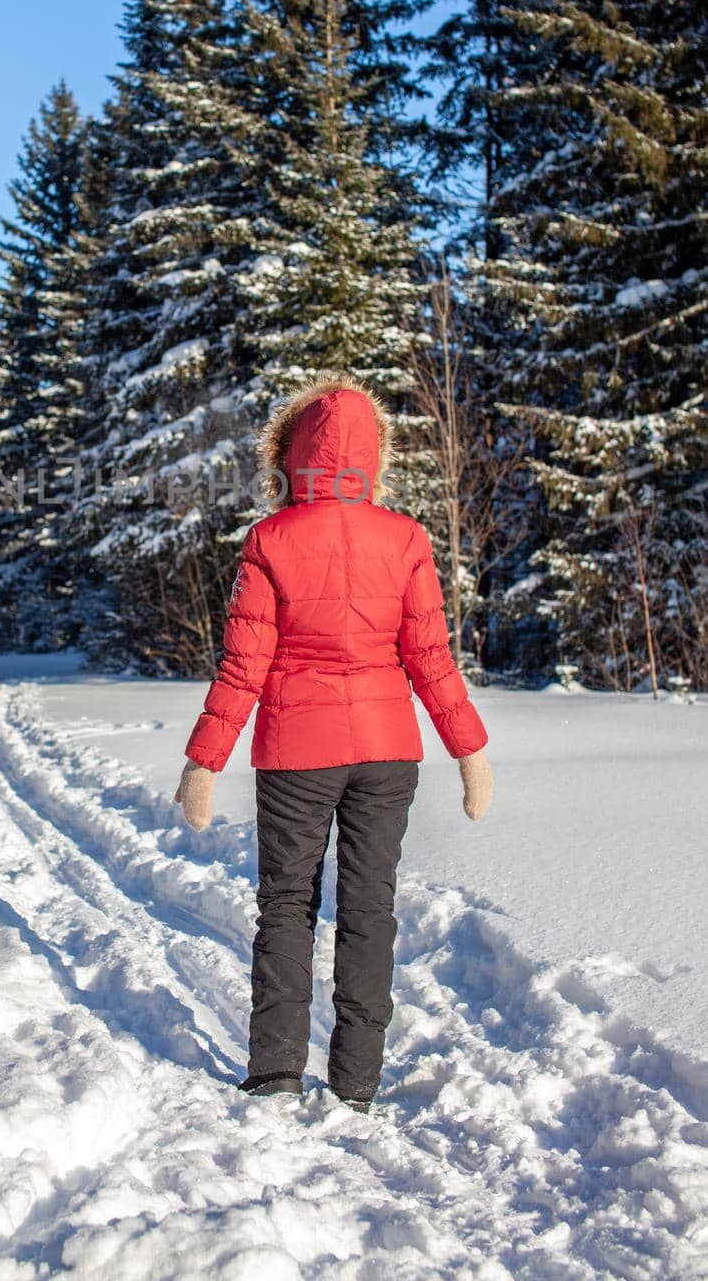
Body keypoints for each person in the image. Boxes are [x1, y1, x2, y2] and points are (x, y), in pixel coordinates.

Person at [173, 377, 493, 1112]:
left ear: (291, 457)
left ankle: (276, 1069)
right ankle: (356, 1080)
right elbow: (430, 658)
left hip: (294, 753)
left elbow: (243, 662)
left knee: (286, 905)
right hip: (387, 754)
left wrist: (204, 760)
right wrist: (469, 751)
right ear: (371, 458)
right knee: (368, 908)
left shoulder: (270, 540)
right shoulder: (405, 538)